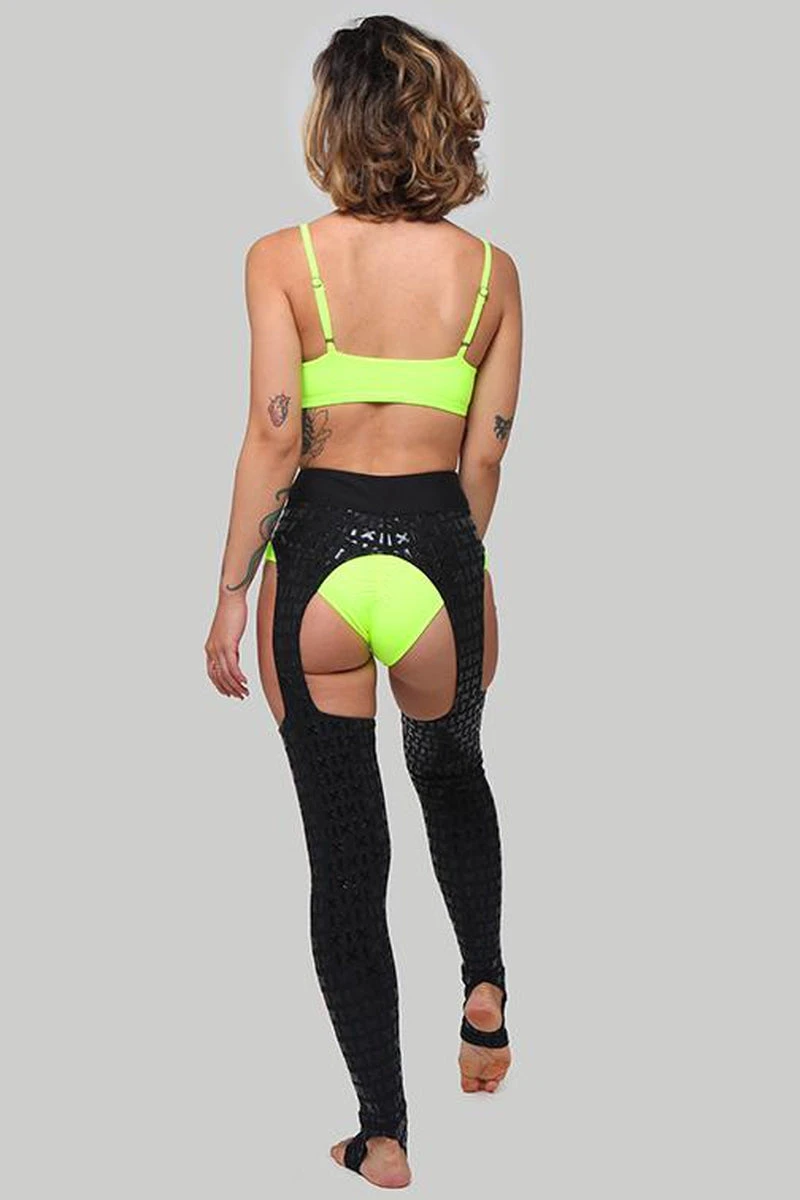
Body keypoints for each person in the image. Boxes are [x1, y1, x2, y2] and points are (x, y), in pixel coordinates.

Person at [204, 14, 522, 1189]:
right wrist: (451, 563)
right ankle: (482, 982)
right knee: (450, 768)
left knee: (345, 861)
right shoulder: (489, 276)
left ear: (332, 123)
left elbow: (272, 436)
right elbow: (484, 458)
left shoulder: (281, 259)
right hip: (441, 562)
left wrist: (229, 594)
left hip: (318, 574)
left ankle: (382, 1133)